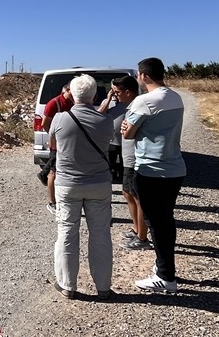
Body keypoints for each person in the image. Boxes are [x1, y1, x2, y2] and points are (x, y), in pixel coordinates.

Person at [121, 57, 186, 293]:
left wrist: (130, 129)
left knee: (157, 225)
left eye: (139, 75)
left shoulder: (144, 102)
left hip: (151, 170)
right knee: (165, 221)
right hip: (175, 169)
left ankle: (165, 276)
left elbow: (127, 133)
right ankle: (165, 269)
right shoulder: (175, 97)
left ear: (144, 76)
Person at [49, 74, 115, 300]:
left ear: (72, 95)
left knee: (67, 233)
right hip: (99, 184)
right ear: (95, 95)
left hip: (68, 185)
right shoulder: (105, 121)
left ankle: (67, 285)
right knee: (100, 235)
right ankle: (103, 287)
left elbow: (53, 144)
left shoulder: (59, 119)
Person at [106, 75, 151, 251]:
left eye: (117, 92)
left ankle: (142, 237)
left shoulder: (138, 107)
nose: (115, 95)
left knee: (137, 197)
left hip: (134, 158)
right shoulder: (131, 106)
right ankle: (136, 228)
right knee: (127, 193)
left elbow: (128, 132)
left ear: (128, 92)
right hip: (128, 157)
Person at [38, 83, 74, 216]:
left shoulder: (72, 103)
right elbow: (44, 124)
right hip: (57, 144)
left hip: (68, 144)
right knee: (53, 172)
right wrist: (55, 138)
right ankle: (52, 203)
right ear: (68, 90)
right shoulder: (54, 103)